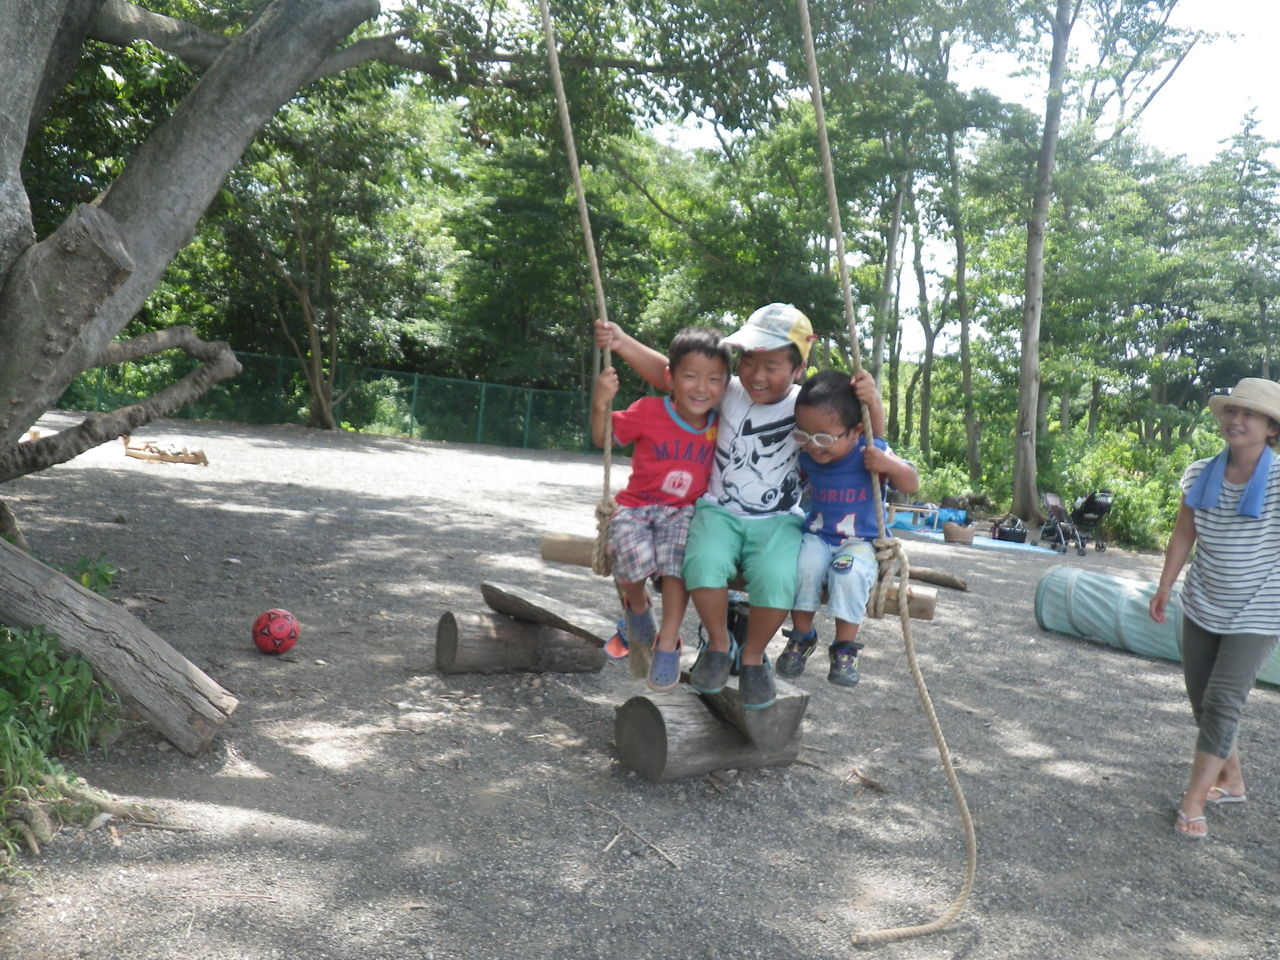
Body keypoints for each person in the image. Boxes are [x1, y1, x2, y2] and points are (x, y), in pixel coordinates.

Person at [596, 303, 815, 709]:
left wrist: (870, 402)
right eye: (749, 362)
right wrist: (622, 342)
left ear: (799, 368)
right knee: (700, 563)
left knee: (778, 577)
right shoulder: (726, 391)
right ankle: (717, 644)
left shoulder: (806, 405)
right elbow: (671, 373)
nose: (757, 375)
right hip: (720, 511)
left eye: (773, 365)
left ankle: (751, 658)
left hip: (778, 519)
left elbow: (849, 428)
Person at [1148, 377, 1280, 839]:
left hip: (1259, 608)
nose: (1236, 419)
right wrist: (1166, 585)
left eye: (1250, 414)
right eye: (1231, 411)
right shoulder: (1200, 472)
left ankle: (1193, 800)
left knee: (1224, 702)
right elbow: (1186, 532)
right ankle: (1234, 779)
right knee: (1204, 703)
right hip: (1203, 600)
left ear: (1271, 429)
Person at [590, 326, 731, 691]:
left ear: (726, 384)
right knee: (625, 552)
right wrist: (600, 401)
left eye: (715, 380)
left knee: (677, 563)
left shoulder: (721, 421)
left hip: (684, 510)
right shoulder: (649, 410)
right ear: (670, 378)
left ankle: (668, 640)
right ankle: (637, 607)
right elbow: (603, 437)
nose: (702, 388)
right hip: (637, 506)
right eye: (690, 377)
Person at [776, 369, 919, 687]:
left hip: (860, 542)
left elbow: (911, 482)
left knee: (849, 574)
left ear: (855, 431)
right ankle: (802, 636)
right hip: (818, 535)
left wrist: (890, 466)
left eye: (824, 437)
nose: (814, 445)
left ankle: (844, 648)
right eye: (804, 434)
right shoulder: (808, 457)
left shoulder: (869, 452)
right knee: (803, 567)